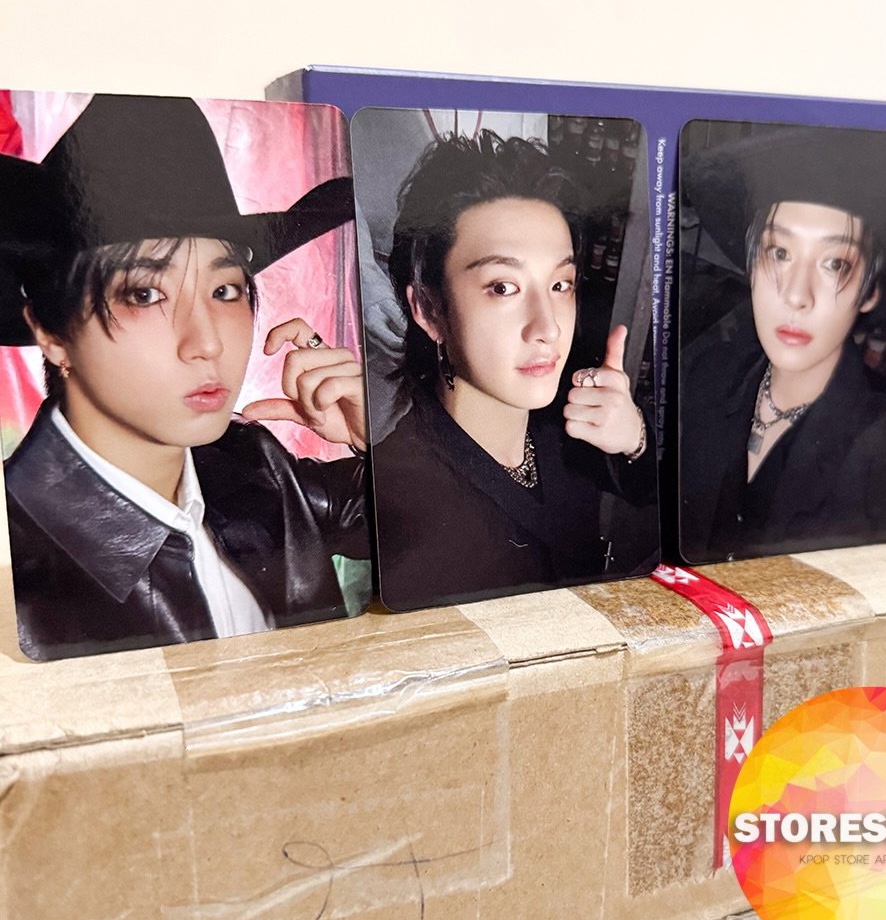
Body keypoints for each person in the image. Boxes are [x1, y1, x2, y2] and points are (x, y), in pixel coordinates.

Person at [0, 93, 369, 660]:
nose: (208, 343)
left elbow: (445, 535)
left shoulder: (249, 461)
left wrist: (377, 435)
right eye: (144, 294)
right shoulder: (24, 547)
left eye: (225, 289)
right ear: (52, 332)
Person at [371, 130, 658, 610]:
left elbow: (649, 489)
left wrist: (635, 440)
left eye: (560, 285)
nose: (548, 328)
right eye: (503, 287)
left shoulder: (567, 411)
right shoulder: (399, 490)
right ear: (429, 309)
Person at [679, 126, 886, 563]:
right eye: (779, 253)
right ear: (752, 264)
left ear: (869, 292)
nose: (796, 295)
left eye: (834, 263)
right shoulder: (707, 374)